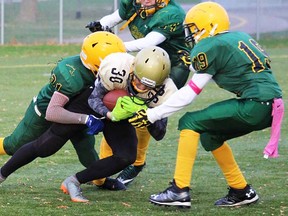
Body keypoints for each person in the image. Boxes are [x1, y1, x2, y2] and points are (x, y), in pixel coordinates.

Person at [127, 2, 284, 208]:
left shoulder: (212, 45)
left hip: (255, 104)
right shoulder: (238, 38)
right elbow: (218, 64)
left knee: (189, 121)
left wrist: (152, 114)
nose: (190, 36)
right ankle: (241, 190)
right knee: (211, 136)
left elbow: (190, 93)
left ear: (207, 27)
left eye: (192, 29)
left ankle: (179, 190)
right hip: (269, 105)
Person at [0, 46, 178, 203]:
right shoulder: (117, 66)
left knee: (126, 156)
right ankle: (2, 174)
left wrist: (147, 117)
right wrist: (107, 114)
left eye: (147, 85)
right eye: (137, 80)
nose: (139, 87)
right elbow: (94, 99)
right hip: (97, 103)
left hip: (124, 114)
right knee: (46, 146)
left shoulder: (166, 92)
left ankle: (75, 181)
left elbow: (159, 133)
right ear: (133, 68)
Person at [0, 31, 126, 188]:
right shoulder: (71, 75)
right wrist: (85, 119)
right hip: (46, 112)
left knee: (87, 150)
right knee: (14, 145)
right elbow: (53, 112)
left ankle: (100, 180)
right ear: (94, 64)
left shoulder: (106, 68)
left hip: (78, 112)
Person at [86, 0, 191, 186]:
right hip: (147, 59)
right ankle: (103, 168)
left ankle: (137, 162)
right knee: (120, 104)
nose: (143, 1)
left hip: (174, 64)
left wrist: (114, 45)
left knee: (146, 113)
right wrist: (102, 27)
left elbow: (150, 41)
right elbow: (113, 18)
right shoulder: (134, 3)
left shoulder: (171, 14)